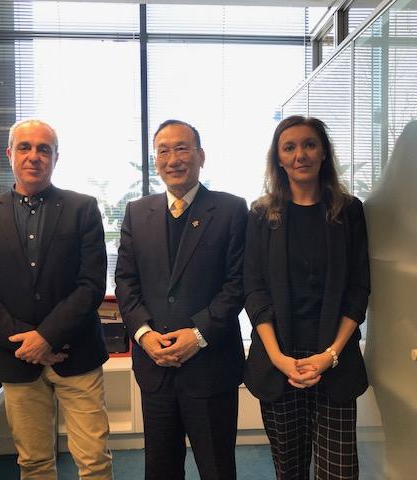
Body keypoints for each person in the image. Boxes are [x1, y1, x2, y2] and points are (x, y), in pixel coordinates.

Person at [0, 119, 113, 480]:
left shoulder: (83, 209)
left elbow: (91, 284)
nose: (34, 156)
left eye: (44, 149)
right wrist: (25, 343)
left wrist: (46, 337)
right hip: (17, 360)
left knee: (93, 461)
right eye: (25, 147)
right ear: (9, 154)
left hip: (77, 354)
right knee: (34, 462)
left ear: (56, 158)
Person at [115, 119, 247, 480]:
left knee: (217, 468)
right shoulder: (137, 212)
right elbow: (125, 282)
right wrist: (144, 334)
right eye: (163, 150)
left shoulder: (231, 210)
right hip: (155, 366)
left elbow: (237, 284)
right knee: (160, 468)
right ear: (155, 160)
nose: (173, 158)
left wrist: (198, 334)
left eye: (182, 148)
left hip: (211, 367)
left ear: (200, 156)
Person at [243, 115, 370, 480]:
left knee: (339, 471)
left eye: (309, 144)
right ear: (279, 159)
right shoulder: (261, 214)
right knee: (290, 468)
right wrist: (279, 357)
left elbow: (358, 289)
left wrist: (329, 355)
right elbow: (254, 290)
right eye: (290, 147)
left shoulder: (349, 211)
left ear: (324, 153)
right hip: (279, 360)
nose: (301, 154)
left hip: (334, 357)